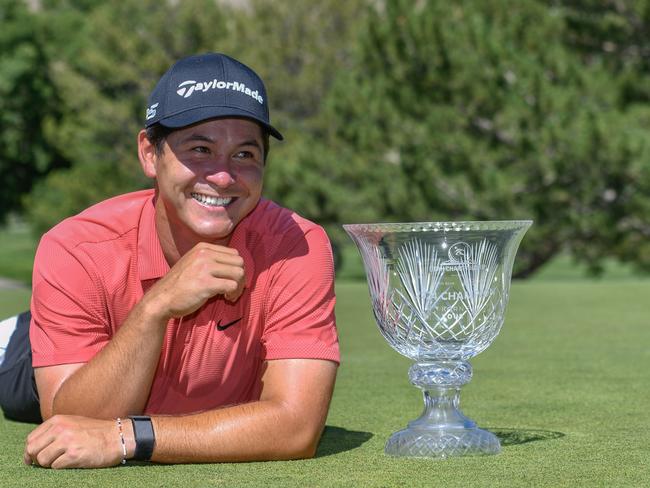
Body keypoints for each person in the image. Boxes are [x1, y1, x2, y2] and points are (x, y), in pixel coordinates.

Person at [11, 53, 339, 469]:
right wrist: (155, 307)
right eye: (200, 149)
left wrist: (131, 437)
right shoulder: (74, 246)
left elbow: (297, 427)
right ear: (150, 153)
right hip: (40, 360)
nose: (222, 176)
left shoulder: (298, 245)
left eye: (244, 155)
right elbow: (71, 424)